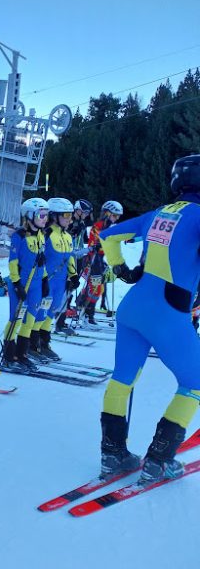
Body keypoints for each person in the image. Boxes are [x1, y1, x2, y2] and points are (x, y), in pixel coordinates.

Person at [97, 155, 200, 483]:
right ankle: (159, 459)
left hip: (133, 308)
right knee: (195, 384)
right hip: (168, 313)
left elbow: (108, 235)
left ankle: (112, 455)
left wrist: (121, 268)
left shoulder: (159, 213)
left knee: (122, 379)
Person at [1, 198, 49, 371]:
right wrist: (16, 283)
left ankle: (22, 354)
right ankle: (8, 355)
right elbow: (13, 262)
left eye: (46, 215)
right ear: (30, 215)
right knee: (16, 318)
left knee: (30, 319)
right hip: (21, 284)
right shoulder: (19, 236)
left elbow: (41, 263)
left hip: (36, 284)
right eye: (42, 215)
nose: (45, 218)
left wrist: (44, 280)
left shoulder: (41, 235)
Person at [29, 198, 78, 361]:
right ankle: (31, 345)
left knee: (51, 313)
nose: (69, 219)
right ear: (55, 216)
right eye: (66, 215)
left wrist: (74, 275)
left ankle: (44, 344)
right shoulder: (46, 233)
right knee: (40, 313)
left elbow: (70, 257)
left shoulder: (68, 236)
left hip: (60, 283)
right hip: (46, 282)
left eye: (71, 215)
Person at [78, 200, 123, 323]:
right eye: (114, 215)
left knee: (98, 288)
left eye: (118, 216)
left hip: (99, 261)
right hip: (92, 261)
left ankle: (84, 311)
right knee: (95, 288)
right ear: (107, 213)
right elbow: (95, 245)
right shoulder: (98, 226)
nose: (116, 218)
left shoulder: (109, 227)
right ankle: (87, 315)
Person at [59, 199, 93, 332]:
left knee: (71, 287)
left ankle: (63, 314)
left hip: (78, 259)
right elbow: (68, 240)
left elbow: (81, 241)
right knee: (66, 288)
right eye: (84, 212)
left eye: (87, 213)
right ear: (77, 210)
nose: (85, 214)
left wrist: (90, 248)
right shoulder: (70, 222)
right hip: (69, 259)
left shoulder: (82, 223)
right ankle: (59, 321)